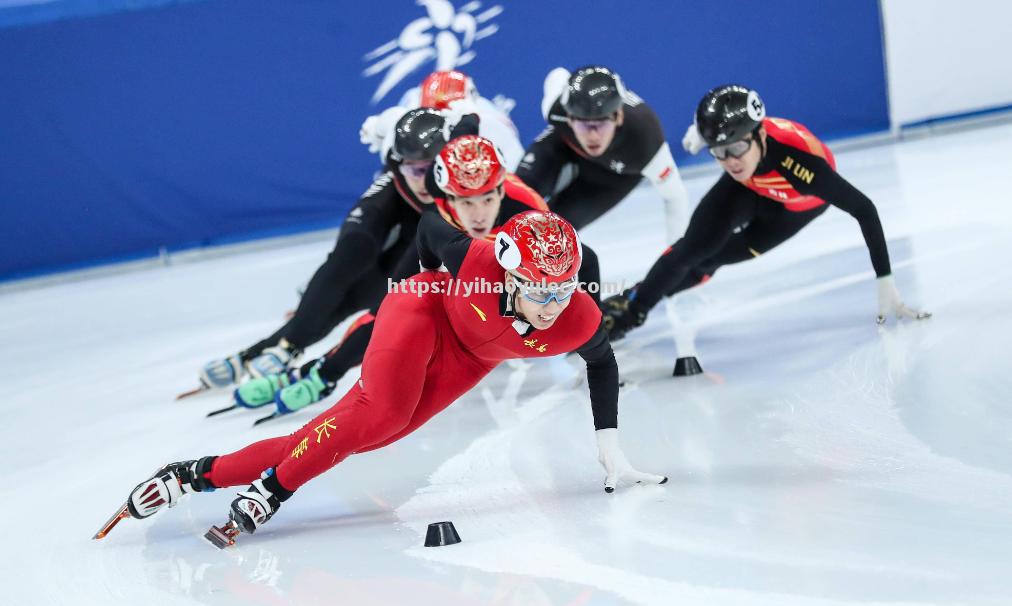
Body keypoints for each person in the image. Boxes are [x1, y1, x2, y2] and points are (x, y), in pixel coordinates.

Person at [114, 210, 666, 546]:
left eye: (562, 289)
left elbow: (603, 362)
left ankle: (198, 474)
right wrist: (421, 283)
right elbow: (429, 225)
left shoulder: (578, 317)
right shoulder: (474, 261)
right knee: (380, 414)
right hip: (422, 310)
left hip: (470, 359)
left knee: (369, 430)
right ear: (509, 272)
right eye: (539, 289)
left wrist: (610, 447)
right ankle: (273, 490)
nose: (551, 306)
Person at [233, 135, 603, 415]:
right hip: (456, 260)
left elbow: (586, 259)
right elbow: (396, 295)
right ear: (446, 197)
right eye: (465, 202)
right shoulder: (439, 214)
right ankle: (323, 373)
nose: (477, 215)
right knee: (386, 305)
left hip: (504, 282)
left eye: (487, 199)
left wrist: (595, 333)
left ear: (501, 189)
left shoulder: (527, 208)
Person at [602, 84, 931, 345]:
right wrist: (707, 136)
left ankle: (640, 296)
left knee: (711, 261)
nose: (730, 160)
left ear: (760, 135)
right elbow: (724, 136)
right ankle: (630, 310)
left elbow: (865, 210)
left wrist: (885, 279)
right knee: (693, 249)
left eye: (736, 148)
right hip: (749, 188)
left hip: (789, 213)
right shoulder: (737, 148)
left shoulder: (801, 166)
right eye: (718, 152)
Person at [197, 108, 459, 389]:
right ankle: (284, 346)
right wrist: (315, 294)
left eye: (427, 168)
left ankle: (279, 350)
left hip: (428, 229)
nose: (420, 179)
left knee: (386, 297)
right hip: (399, 207)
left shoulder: (478, 139)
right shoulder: (395, 127)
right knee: (353, 251)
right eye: (411, 168)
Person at [514, 65, 691, 240]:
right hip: (564, 147)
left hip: (611, 178)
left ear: (619, 117)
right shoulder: (555, 108)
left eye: (602, 123)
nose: (593, 135)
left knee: (549, 233)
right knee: (513, 199)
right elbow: (557, 73)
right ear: (568, 117)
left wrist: (675, 251)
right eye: (584, 123)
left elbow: (675, 196)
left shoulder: (645, 140)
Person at [360, 70, 525, 170]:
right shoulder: (408, 120)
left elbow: (517, 179)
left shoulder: (494, 129)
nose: (438, 127)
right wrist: (377, 131)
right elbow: (379, 126)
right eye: (430, 118)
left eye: (448, 119)